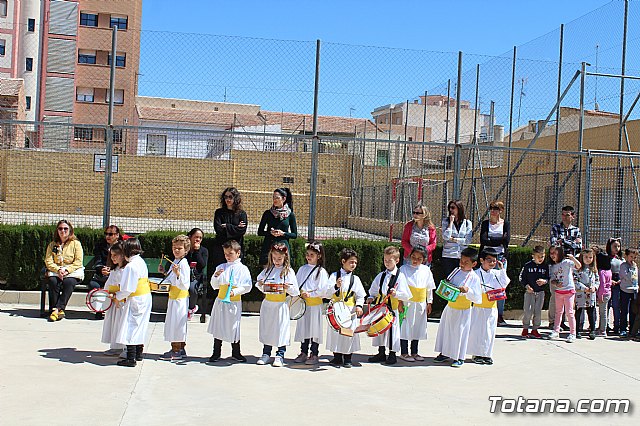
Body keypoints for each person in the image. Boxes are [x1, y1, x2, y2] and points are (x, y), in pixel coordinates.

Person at [433, 247, 482, 368]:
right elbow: (448, 282)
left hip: (463, 309)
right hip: (450, 306)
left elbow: (477, 298)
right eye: (461, 261)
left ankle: (459, 356)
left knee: (460, 332)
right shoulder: (456, 271)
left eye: (466, 262)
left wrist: (468, 291)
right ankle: (445, 353)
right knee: (447, 330)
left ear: (474, 263)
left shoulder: (474, 277)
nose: (462, 264)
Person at [207, 240, 252, 363]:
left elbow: (247, 286)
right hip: (221, 301)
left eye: (230, 253)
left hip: (233, 302)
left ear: (238, 253)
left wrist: (235, 292)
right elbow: (214, 285)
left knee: (233, 327)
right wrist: (216, 276)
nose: (227, 256)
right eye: (225, 253)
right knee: (219, 326)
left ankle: (236, 352)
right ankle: (216, 352)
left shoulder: (243, 269)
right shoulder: (221, 267)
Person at [255, 243, 300, 367]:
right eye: (274, 258)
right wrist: (261, 284)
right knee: (267, 328)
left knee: (281, 329)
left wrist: (288, 288)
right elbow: (258, 284)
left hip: (280, 305)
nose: (277, 261)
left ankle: (280, 354)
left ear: (285, 257)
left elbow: (295, 291)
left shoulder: (288, 272)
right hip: (268, 304)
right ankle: (266, 353)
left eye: (279, 259)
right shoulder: (268, 270)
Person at [367, 246, 411, 365]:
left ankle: (392, 354)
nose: (386, 263)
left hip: (393, 310)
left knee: (393, 332)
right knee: (380, 330)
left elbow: (407, 295)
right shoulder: (381, 275)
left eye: (389, 260)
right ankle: (381, 353)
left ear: (397, 261)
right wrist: (371, 297)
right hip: (381, 308)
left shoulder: (400, 277)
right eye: (385, 260)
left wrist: (397, 294)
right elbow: (374, 290)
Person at [467, 247, 510, 365]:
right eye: (489, 260)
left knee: (489, 331)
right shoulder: (475, 273)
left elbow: (504, 283)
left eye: (494, 261)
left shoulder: (496, 273)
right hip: (478, 306)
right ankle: (476, 354)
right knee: (477, 331)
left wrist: (502, 270)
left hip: (491, 307)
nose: (492, 263)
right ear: (482, 260)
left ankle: (487, 354)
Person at [113, 239, 152, 367]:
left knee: (130, 327)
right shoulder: (140, 261)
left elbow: (128, 289)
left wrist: (117, 297)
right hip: (144, 297)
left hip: (135, 299)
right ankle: (138, 353)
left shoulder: (130, 266)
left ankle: (131, 358)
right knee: (140, 326)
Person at [325, 248, 366, 368]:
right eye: (351, 262)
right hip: (336, 310)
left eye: (355, 263)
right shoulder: (334, 276)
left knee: (349, 333)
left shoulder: (356, 279)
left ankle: (348, 357)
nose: (353, 265)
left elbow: (360, 295)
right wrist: (335, 286)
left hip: (349, 311)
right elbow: (327, 293)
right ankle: (337, 356)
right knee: (336, 333)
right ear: (343, 261)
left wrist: (359, 306)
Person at [293, 241, 330, 366]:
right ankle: (303, 352)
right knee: (304, 328)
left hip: (315, 305)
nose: (308, 257)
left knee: (314, 329)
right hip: (304, 305)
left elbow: (323, 290)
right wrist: (300, 292)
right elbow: (296, 284)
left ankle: (314, 353)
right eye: (307, 254)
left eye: (312, 255)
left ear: (319, 256)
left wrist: (311, 294)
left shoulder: (321, 272)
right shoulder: (302, 269)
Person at [399, 247, 435, 362]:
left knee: (417, 326)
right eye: (413, 257)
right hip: (407, 302)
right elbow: (399, 286)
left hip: (420, 303)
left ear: (424, 260)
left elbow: (429, 288)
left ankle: (414, 351)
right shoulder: (403, 269)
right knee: (405, 326)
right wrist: (400, 302)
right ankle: (404, 352)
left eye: (419, 259)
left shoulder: (426, 270)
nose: (415, 260)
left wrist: (429, 302)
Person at [45, 220, 84, 322]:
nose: (63, 231)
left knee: (68, 282)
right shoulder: (52, 245)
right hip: (56, 271)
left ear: (70, 230)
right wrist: (58, 270)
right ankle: (59, 310)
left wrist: (66, 270)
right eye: (60, 228)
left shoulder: (76, 244)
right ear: (57, 230)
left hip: (72, 271)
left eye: (65, 228)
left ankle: (56, 309)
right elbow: (48, 261)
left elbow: (78, 261)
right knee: (53, 281)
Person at [479, 201, 511, 326]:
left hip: (500, 257)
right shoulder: (486, 223)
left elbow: (506, 241)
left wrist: (491, 240)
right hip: (486, 256)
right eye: (491, 208)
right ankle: (484, 308)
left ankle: (500, 314)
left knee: (500, 285)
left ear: (501, 210)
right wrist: (498, 240)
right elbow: (483, 239)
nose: (493, 211)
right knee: (485, 283)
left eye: (496, 208)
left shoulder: (505, 224)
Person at [160, 235, 191, 361]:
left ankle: (176, 350)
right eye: (174, 248)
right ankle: (180, 348)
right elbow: (170, 279)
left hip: (180, 299)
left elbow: (185, 284)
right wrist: (164, 273)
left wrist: (178, 274)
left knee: (177, 324)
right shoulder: (176, 261)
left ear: (186, 250)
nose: (176, 250)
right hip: (173, 297)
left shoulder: (184, 264)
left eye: (179, 248)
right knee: (173, 322)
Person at [89, 224, 124, 319]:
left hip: (117, 274)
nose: (107, 236)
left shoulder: (122, 246)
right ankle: (99, 309)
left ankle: (114, 308)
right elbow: (97, 261)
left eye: (111, 234)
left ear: (117, 235)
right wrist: (101, 269)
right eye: (106, 234)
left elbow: (124, 262)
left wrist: (112, 270)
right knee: (94, 285)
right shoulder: (100, 246)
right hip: (103, 275)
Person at [548, 245, 581, 343]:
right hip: (559, 291)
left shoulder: (566, 262)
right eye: (551, 253)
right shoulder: (553, 266)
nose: (553, 255)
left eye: (555, 253)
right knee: (558, 312)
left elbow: (578, 266)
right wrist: (556, 283)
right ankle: (556, 330)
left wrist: (573, 258)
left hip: (569, 291)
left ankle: (572, 333)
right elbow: (553, 280)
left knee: (569, 312)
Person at [258, 188, 298, 266]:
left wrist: (283, 233)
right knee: (267, 272)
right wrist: (270, 232)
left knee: (283, 271)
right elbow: (260, 232)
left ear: (284, 199)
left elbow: (294, 235)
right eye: (273, 197)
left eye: (277, 198)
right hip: (269, 246)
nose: (274, 200)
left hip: (283, 247)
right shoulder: (267, 213)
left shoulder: (290, 215)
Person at [101, 241, 126, 356]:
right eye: (111, 255)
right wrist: (107, 294)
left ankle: (125, 347)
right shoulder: (114, 270)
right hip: (113, 301)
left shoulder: (126, 270)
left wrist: (117, 295)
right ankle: (115, 346)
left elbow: (125, 287)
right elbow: (108, 284)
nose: (113, 258)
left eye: (116, 255)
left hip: (121, 302)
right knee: (113, 324)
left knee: (121, 324)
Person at [212, 187, 247, 268]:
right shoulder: (219, 213)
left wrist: (227, 226)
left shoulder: (241, 214)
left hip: (236, 247)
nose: (228, 199)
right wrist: (235, 227)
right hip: (221, 248)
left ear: (235, 198)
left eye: (230, 197)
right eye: (226, 197)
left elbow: (242, 231)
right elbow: (218, 229)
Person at [519, 246, 548, 339]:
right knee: (528, 311)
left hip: (540, 292)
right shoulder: (527, 265)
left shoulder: (545, 266)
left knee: (538, 312)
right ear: (533, 256)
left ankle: (535, 329)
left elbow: (549, 277)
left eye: (542, 256)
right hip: (529, 293)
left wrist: (544, 281)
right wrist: (526, 286)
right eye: (538, 256)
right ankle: (525, 329)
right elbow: (521, 278)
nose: (541, 259)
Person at [441, 200, 473, 279]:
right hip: (448, 255)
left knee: (461, 278)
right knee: (449, 278)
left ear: (459, 209)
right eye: (449, 208)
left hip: (461, 256)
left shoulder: (467, 223)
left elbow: (467, 241)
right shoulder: (446, 221)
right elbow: (446, 236)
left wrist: (454, 239)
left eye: (453, 208)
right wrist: (451, 223)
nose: (451, 210)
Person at [574, 249, 599, 340]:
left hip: (591, 295)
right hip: (581, 294)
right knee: (579, 312)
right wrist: (584, 288)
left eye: (590, 257)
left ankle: (592, 329)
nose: (588, 259)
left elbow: (597, 281)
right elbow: (575, 281)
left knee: (591, 312)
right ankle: (577, 329)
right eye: (586, 257)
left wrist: (594, 287)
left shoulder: (594, 270)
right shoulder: (578, 269)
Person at [185, 227, 209, 321]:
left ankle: (191, 309)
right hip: (183, 275)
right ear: (190, 237)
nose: (198, 239)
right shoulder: (185, 248)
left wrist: (197, 251)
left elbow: (202, 265)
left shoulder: (203, 251)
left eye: (200, 238)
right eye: (196, 237)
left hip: (195, 277)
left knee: (192, 288)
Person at [618, 248, 638, 338]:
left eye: (634, 257)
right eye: (631, 256)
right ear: (626, 256)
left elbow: (636, 277)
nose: (632, 259)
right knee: (624, 310)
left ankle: (632, 329)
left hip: (633, 291)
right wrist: (632, 268)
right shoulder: (623, 266)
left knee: (633, 311)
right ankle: (622, 329)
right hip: (625, 290)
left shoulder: (635, 266)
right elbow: (627, 277)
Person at [594, 245, 612, 337]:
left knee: (602, 312)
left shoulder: (602, 272)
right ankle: (601, 327)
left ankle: (602, 330)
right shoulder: (609, 271)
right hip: (608, 293)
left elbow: (602, 285)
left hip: (603, 294)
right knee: (604, 312)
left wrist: (600, 295)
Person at [606, 237, 623, 335]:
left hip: (618, 283)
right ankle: (605, 325)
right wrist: (610, 280)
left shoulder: (621, 259)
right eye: (614, 246)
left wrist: (620, 280)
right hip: (608, 283)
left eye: (618, 246)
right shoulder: (606, 258)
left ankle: (617, 325)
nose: (617, 248)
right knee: (607, 305)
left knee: (616, 305)